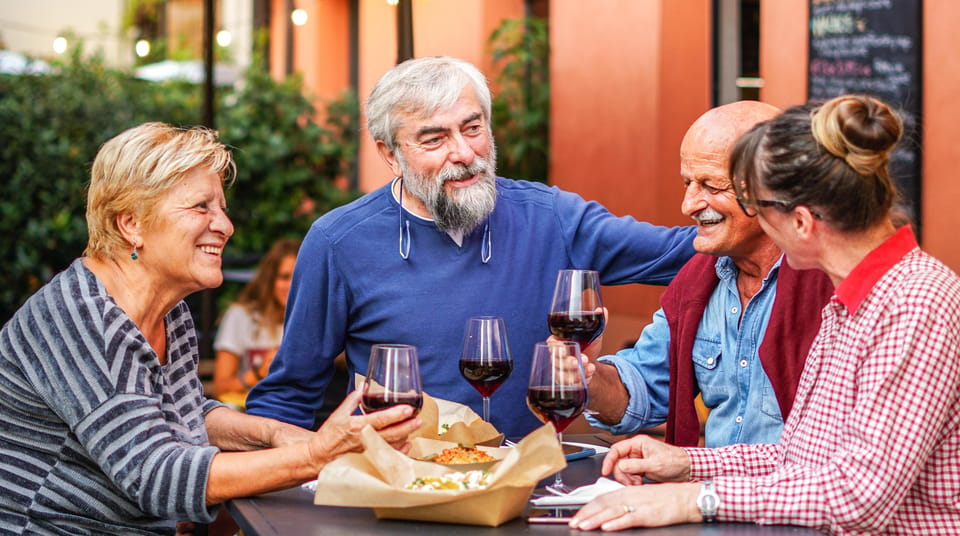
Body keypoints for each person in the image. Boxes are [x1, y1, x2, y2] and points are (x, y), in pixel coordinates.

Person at [0, 122, 421, 535]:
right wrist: (315, 455)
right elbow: (156, 476)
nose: (225, 225)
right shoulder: (80, 318)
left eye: (221, 208)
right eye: (201, 207)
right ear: (131, 223)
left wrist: (276, 434)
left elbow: (184, 414)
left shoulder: (169, 311)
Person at [245, 56, 698, 438]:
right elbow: (289, 394)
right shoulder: (337, 242)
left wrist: (755, 209)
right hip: (397, 489)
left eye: (472, 127)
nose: (464, 152)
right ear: (389, 154)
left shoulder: (552, 217)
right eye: (434, 138)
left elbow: (693, 252)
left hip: (528, 489)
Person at [569, 94, 960, 533]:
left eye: (761, 209)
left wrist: (698, 498)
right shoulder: (852, 300)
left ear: (802, 223)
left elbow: (858, 495)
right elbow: (803, 456)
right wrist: (687, 463)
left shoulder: (916, 303)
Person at [582, 101, 834, 447]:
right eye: (688, 183)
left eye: (711, 186)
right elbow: (644, 387)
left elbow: (836, 459)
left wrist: (688, 469)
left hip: (791, 498)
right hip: (709, 495)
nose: (688, 205)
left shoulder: (834, 286)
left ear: (776, 188)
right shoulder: (700, 280)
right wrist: (585, 379)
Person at [213, 238, 300, 409]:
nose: (292, 285)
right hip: (248, 412)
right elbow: (220, 388)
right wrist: (259, 373)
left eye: (298, 278)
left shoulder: (316, 320)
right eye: (284, 277)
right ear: (270, 280)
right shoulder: (241, 316)